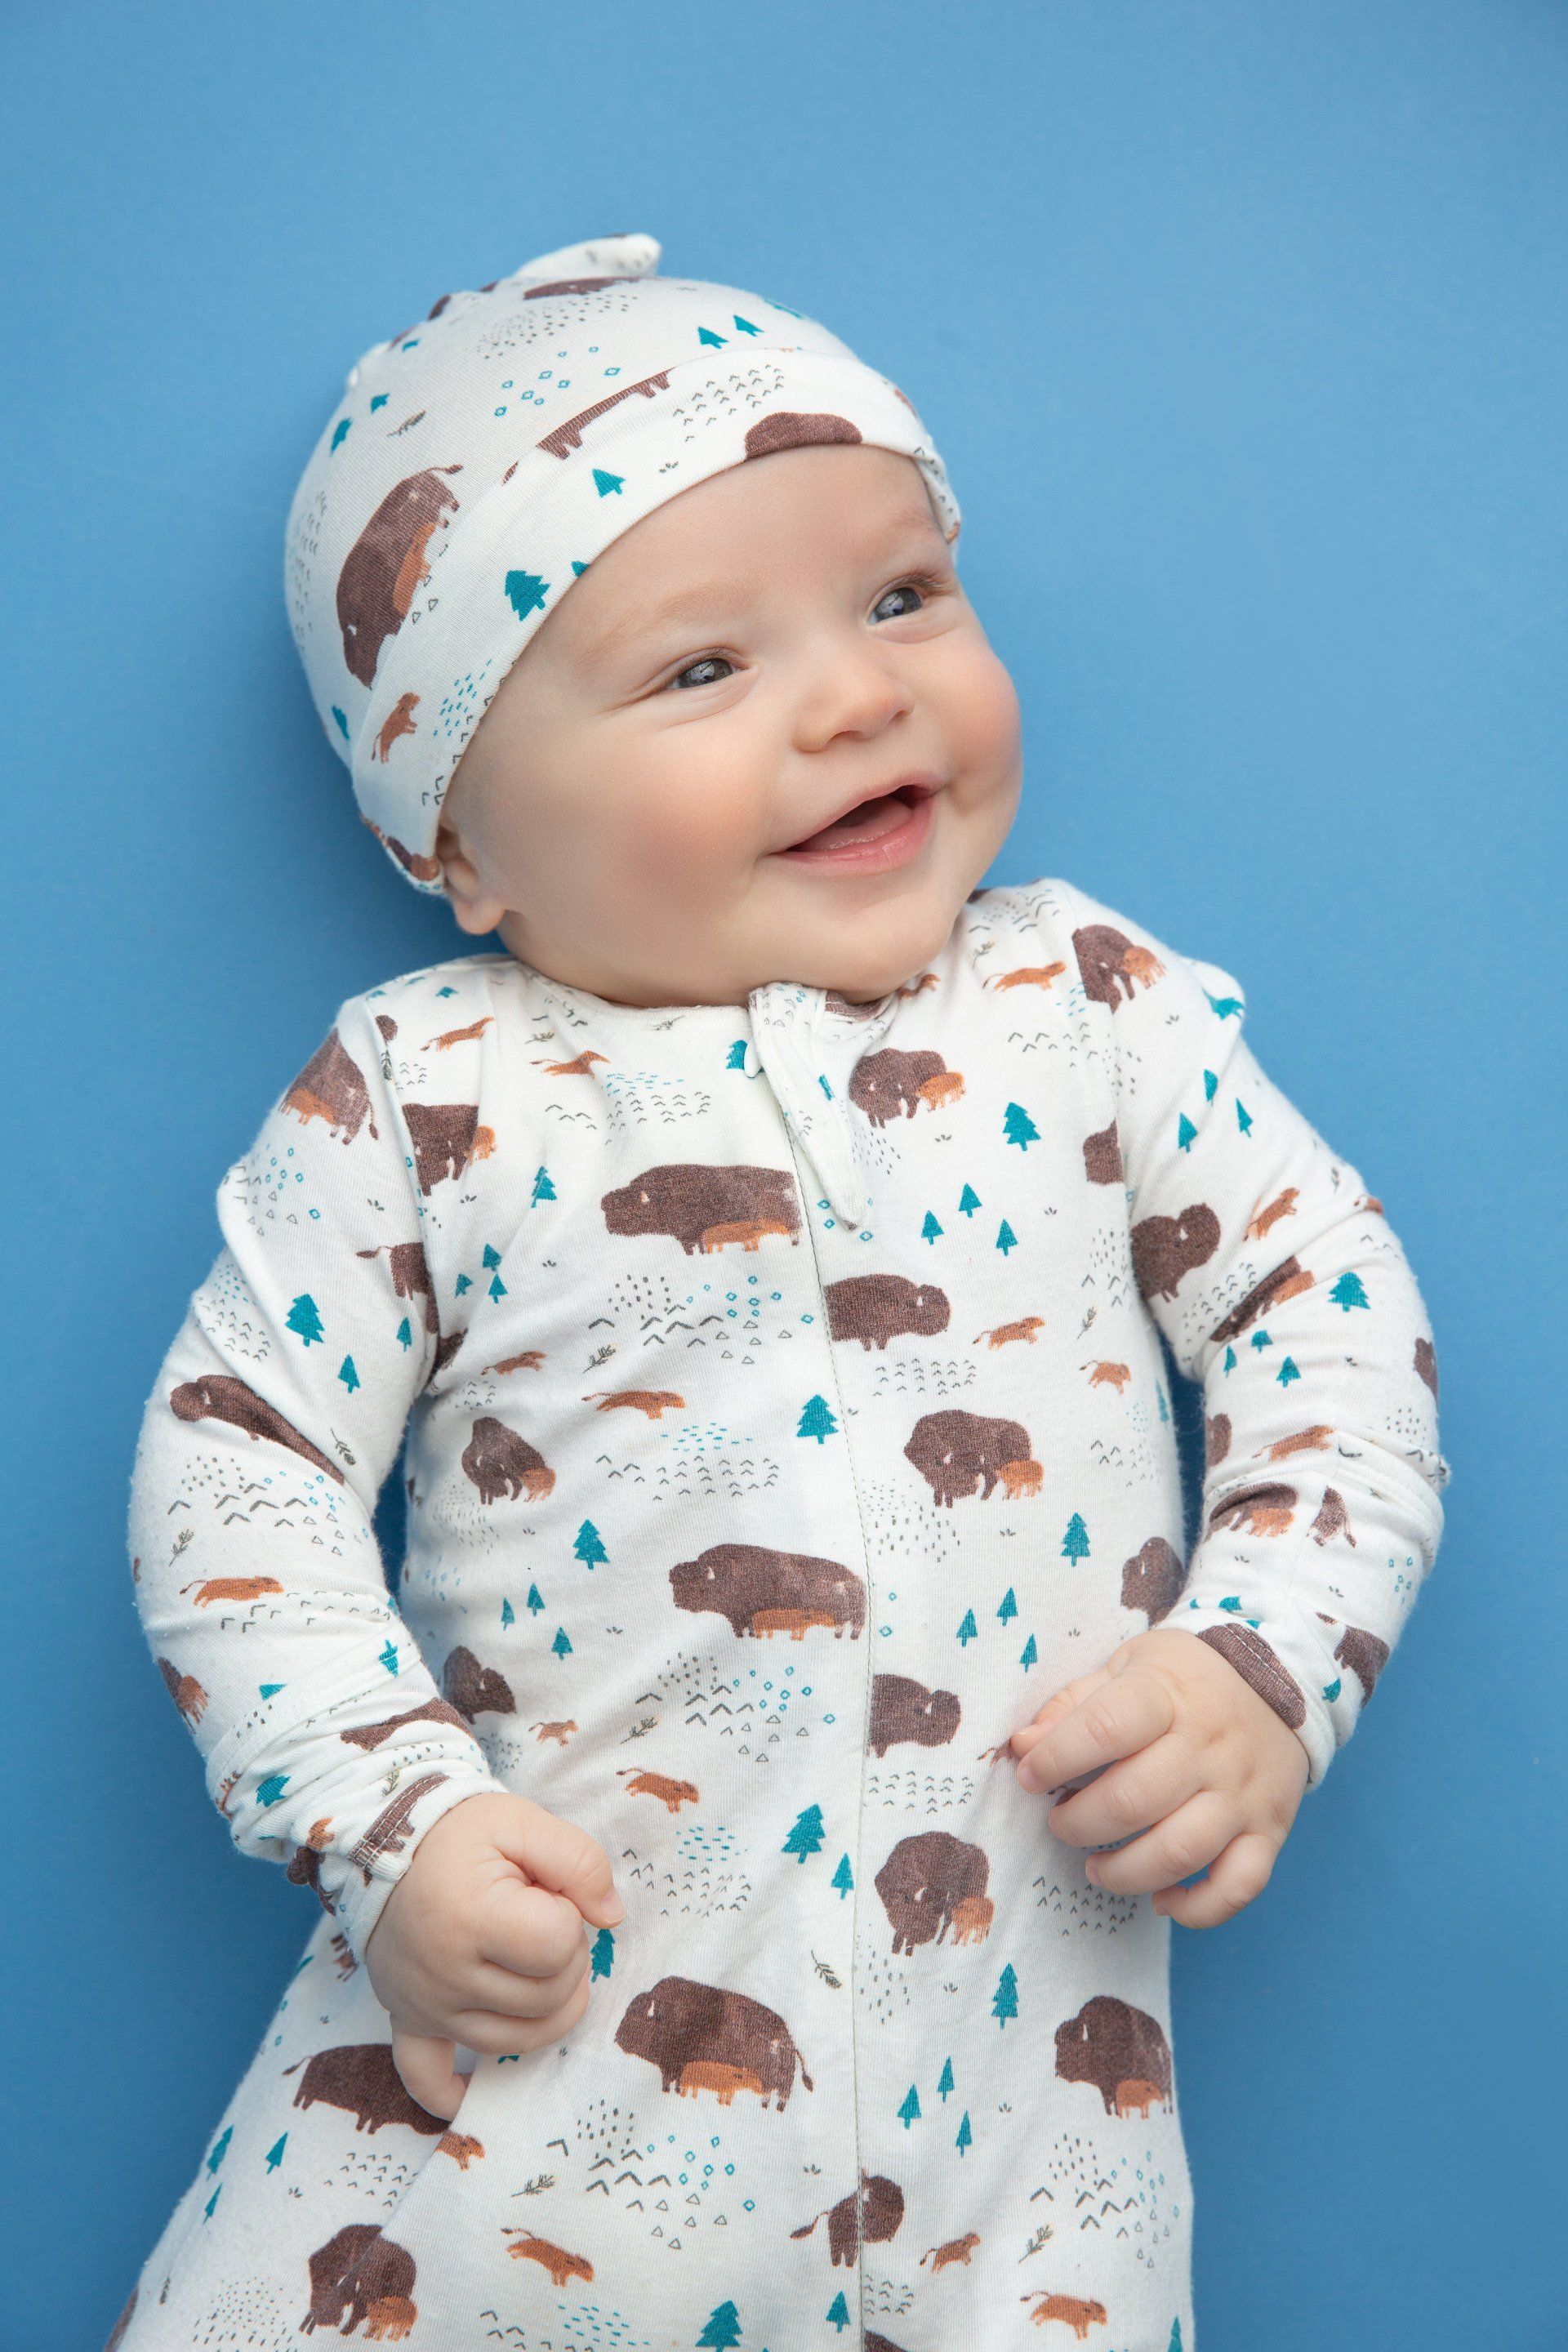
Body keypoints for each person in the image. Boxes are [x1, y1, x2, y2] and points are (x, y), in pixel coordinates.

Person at [111, 232, 1447, 2350]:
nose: (856, 692)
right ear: (458, 834)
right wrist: (394, 1824)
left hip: (1025, 2162)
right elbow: (238, 1474)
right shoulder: (430, 1097)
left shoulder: (1098, 1016)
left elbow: (1332, 1332)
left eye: (904, 592)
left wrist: (1264, 1667)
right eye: (699, 668)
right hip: (521, 2108)